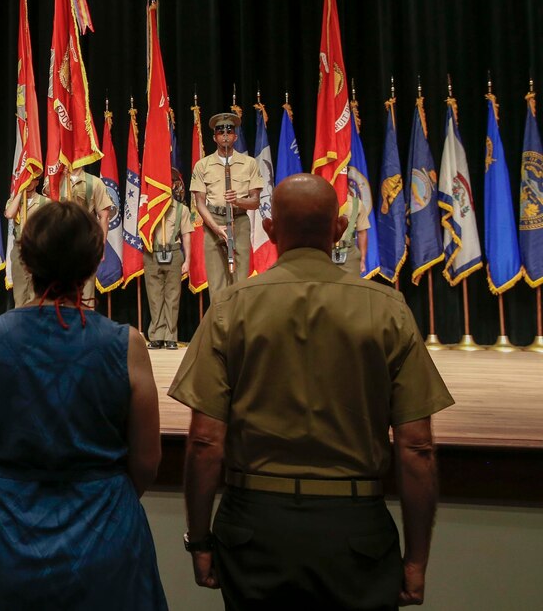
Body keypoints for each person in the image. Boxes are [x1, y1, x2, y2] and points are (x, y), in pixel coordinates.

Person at [169, 174, 455, 610]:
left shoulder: (231, 306)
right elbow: (417, 449)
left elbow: (205, 441)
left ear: (269, 230)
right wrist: (417, 560)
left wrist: (200, 540)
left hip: (255, 530)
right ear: (339, 229)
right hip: (356, 533)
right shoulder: (387, 308)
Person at [0, 201, 167, 610]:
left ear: (26, 260)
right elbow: (146, 463)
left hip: (7, 536)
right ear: (93, 264)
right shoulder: (126, 344)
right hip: (106, 539)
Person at [190, 112, 263, 300]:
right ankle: (220, 326)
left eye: (229, 132)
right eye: (220, 132)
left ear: (235, 137)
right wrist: (216, 228)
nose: (225, 135)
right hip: (213, 221)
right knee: (217, 285)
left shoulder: (249, 163)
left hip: (239, 221)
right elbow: (199, 202)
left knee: (240, 283)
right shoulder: (202, 165)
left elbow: (255, 201)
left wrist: (237, 200)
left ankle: (239, 325)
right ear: (214, 137)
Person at [43, 165, 115, 305]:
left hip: (85, 245)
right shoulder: (55, 179)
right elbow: (47, 193)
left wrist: (101, 246)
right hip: (60, 244)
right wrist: (60, 175)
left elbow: (104, 217)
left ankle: (84, 325)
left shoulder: (94, 182)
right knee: (58, 293)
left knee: (86, 297)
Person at [143, 168, 193, 349]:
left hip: (173, 254)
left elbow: (187, 236)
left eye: (169, 183)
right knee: (155, 296)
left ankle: (171, 336)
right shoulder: (148, 209)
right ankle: (156, 335)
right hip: (152, 254)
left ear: (172, 185)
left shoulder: (182, 209)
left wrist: (187, 260)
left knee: (173, 296)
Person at [3, 175, 50, 307]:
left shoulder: (45, 202)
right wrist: (19, 192)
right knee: (19, 293)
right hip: (19, 248)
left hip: (38, 249)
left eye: (31, 179)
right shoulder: (15, 201)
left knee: (36, 293)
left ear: (36, 182)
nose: (28, 182)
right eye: (25, 178)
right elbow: (9, 214)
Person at [334, 189, 371, 275]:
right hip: (323, 253)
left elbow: (362, 232)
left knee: (350, 287)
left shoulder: (356, 204)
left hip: (349, 254)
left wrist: (362, 259)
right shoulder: (318, 202)